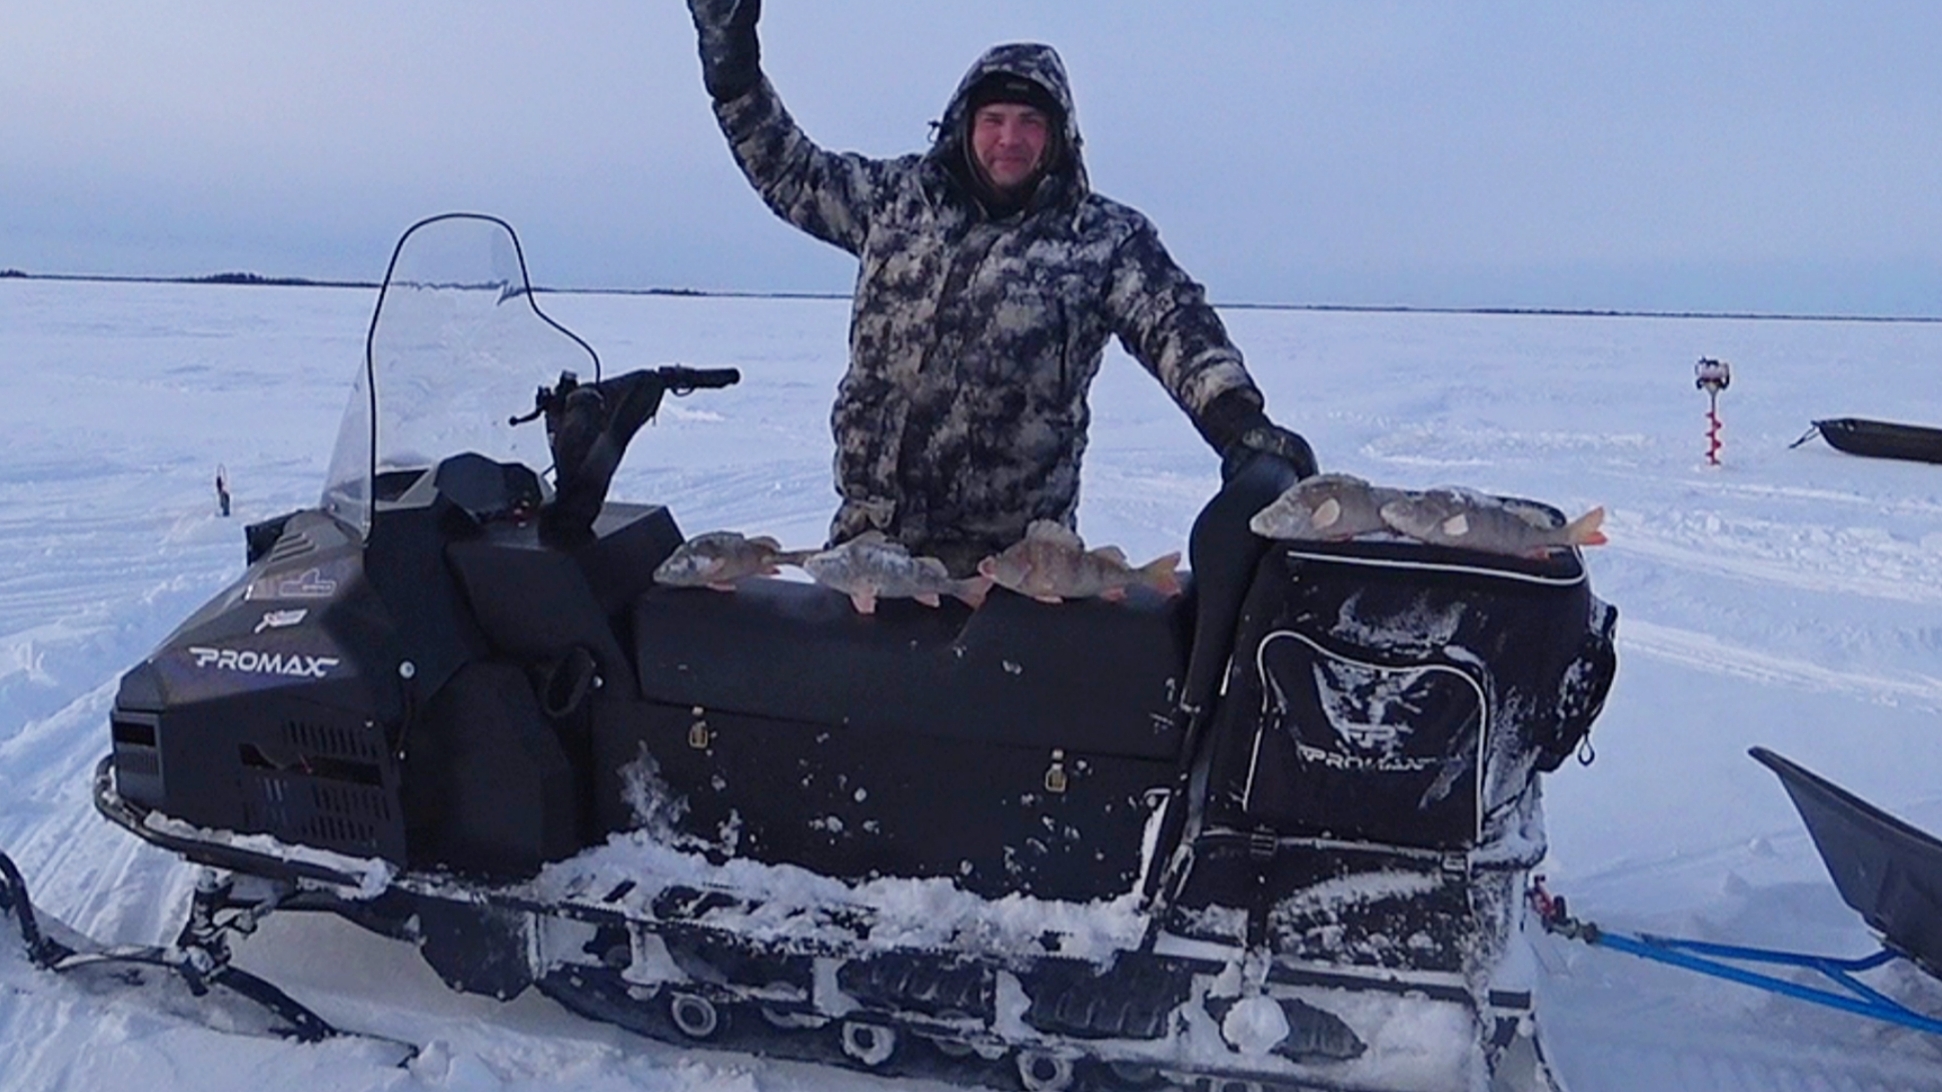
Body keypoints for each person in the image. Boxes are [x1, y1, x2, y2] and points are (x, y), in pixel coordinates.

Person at [686, 0, 1316, 575]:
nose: (1009, 139)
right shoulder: (895, 202)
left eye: (1029, 122)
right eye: (993, 119)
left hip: (1015, 571)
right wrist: (733, 69)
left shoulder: (1101, 238)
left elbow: (1175, 324)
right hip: (871, 550)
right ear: (964, 124)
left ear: (1059, 134)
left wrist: (1238, 423)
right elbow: (788, 170)